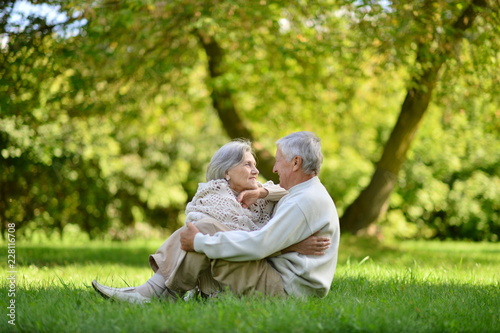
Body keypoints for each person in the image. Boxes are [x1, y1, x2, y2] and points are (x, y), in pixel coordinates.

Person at [92, 138, 330, 303]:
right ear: (227, 171)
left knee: (204, 234)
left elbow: (257, 239)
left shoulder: (270, 196)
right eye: (248, 164)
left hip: (282, 284)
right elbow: (252, 240)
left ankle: (155, 293)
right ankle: (154, 292)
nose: (266, 170)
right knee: (203, 230)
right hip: (274, 274)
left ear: (296, 163)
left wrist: (262, 192)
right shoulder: (214, 197)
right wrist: (288, 246)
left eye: (256, 165)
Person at [178, 131, 340, 298]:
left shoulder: (303, 201)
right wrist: (261, 192)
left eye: (278, 160)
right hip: (290, 282)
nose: (274, 168)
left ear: (296, 162)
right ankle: (179, 292)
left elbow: (258, 245)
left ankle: (161, 292)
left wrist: (199, 242)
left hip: (286, 288)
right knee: (213, 239)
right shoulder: (304, 192)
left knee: (209, 241)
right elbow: (268, 240)